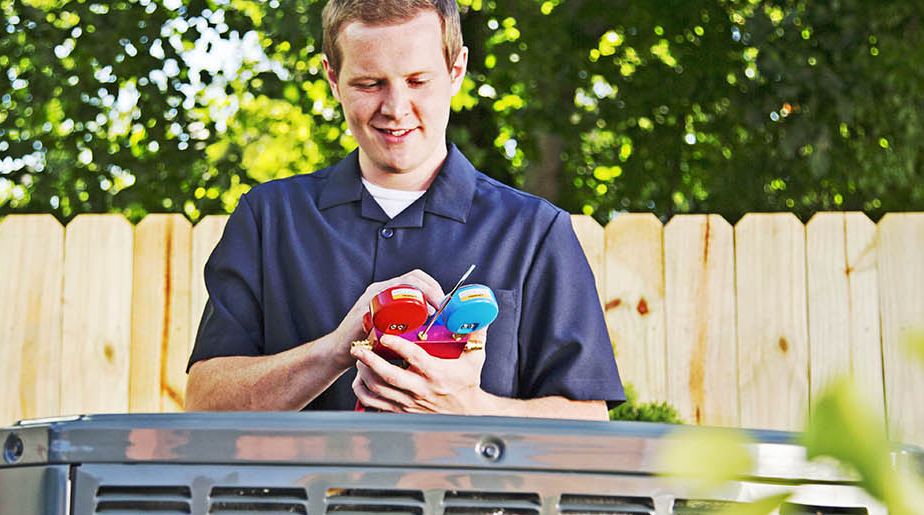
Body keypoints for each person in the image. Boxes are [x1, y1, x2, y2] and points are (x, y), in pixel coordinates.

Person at [185, 0, 623, 420]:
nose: (395, 109)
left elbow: (586, 421)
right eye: (369, 84)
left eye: (418, 81)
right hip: (305, 498)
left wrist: (469, 407)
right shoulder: (267, 219)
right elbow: (205, 403)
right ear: (333, 78)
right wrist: (339, 346)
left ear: (456, 71)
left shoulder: (535, 231)